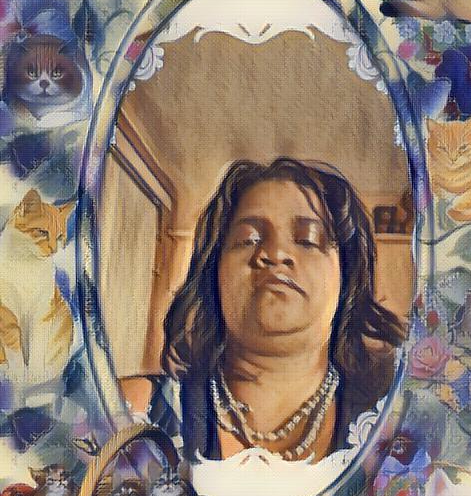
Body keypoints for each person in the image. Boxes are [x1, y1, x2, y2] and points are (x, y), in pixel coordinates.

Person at [162, 158, 406, 464]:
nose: (275, 254)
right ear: (214, 272)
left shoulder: (401, 420)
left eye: (308, 240)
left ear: (346, 276)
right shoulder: (142, 415)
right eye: (248, 239)